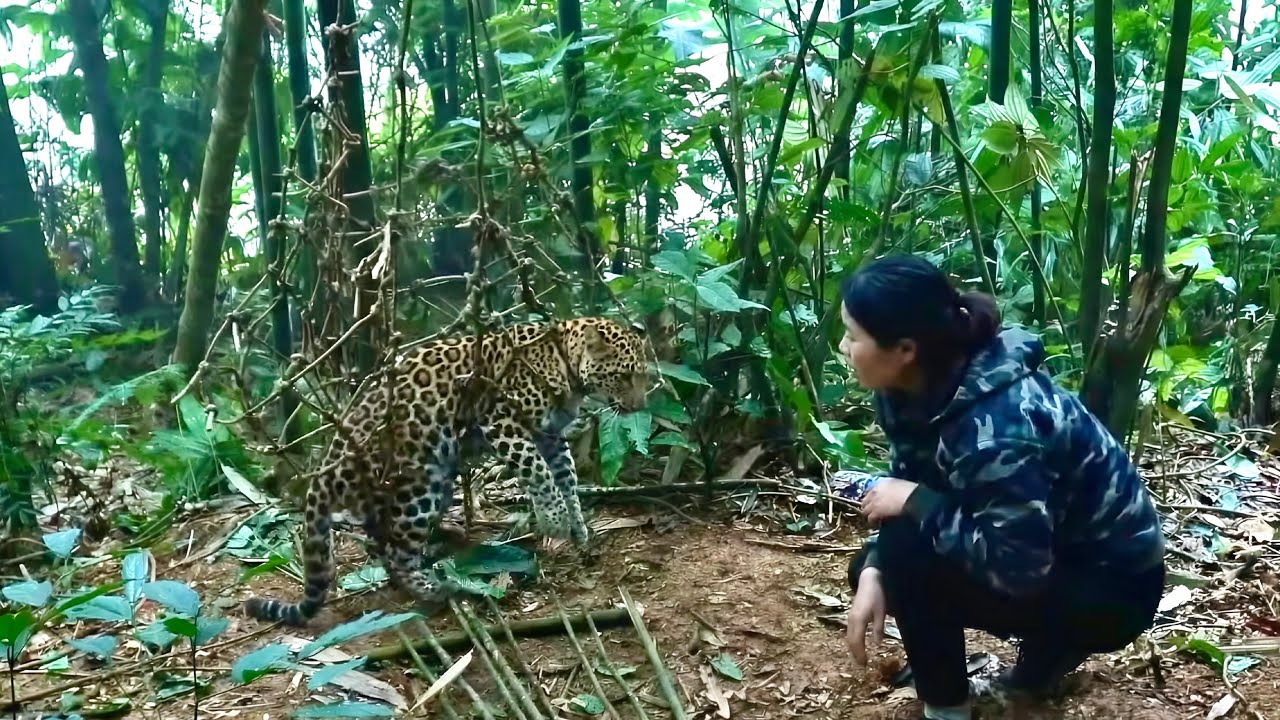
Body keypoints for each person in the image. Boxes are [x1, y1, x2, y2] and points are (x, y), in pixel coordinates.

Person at [835, 254, 1166, 720]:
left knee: (909, 562)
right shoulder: (916, 388)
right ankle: (1043, 663)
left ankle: (950, 708)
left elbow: (1018, 567)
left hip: (1113, 587)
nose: (844, 347)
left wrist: (912, 505)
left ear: (905, 349)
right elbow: (915, 491)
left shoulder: (995, 427)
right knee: (880, 565)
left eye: (853, 335)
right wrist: (876, 566)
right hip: (1062, 550)